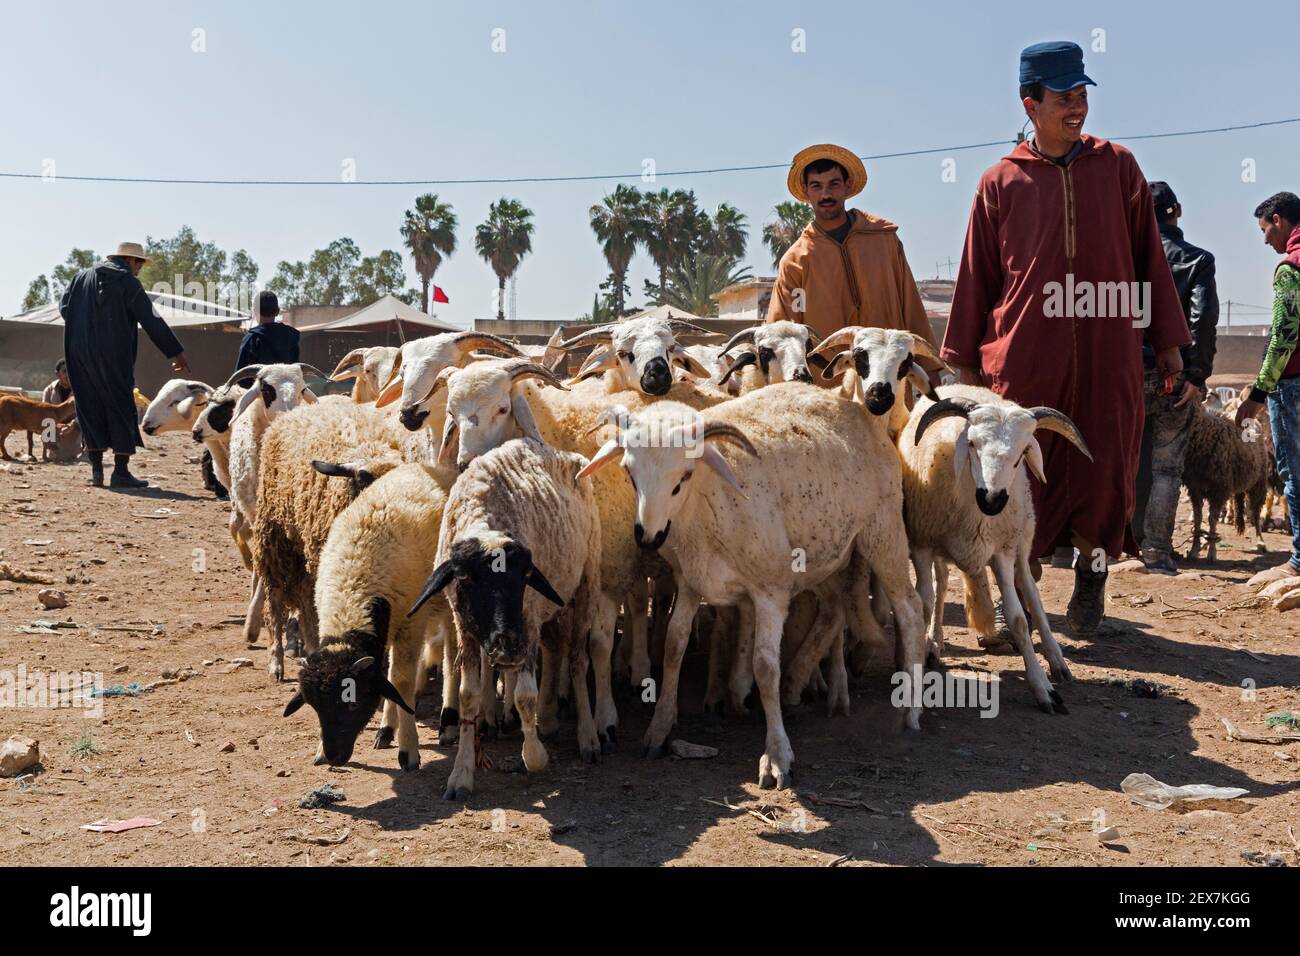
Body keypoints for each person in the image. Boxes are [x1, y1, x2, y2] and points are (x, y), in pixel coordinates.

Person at [941, 41, 1188, 636]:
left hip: (1110, 354)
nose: (1077, 107)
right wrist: (965, 365)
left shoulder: (1119, 167)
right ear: (1031, 103)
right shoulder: (999, 181)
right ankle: (1014, 594)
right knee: (1020, 478)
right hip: (1026, 355)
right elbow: (977, 274)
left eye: (1082, 95)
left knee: (1105, 476)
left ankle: (1092, 580)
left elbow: (1148, 258)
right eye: (1063, 97)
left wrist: (1171, 342)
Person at [766, 144, 939, 363]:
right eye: (816, 186)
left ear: (847, 186)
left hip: (889, 377)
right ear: (806, 191)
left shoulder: (884, 241)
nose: (825, 194)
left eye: (834, 184)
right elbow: (784, 331)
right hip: (827, 387)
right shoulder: (796, 262)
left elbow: (911, 307)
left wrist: (930, 367)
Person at [1131, 182, 1219, 574]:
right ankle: (1156, 553)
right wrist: (1197, 375)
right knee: (1167, 467)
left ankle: (1118, 545)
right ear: (1177, 211)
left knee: (1124, 460)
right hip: (1174, 376)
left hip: (1127, 375)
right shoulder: (1197, 260)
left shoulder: (1122, 261)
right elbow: (1202, 320)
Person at [59, 242, 189, 488]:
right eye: (139, 264)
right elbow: (152, 320)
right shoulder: (128, 282)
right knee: (120, 406)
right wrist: (176, 353)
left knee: (89, 405)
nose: (139, 269)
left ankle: (97, 472)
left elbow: (65, 308)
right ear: (131, 261)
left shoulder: (80, 278)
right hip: (113, 357)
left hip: (79, 355)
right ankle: (120, 472)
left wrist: (87, 327)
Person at [1235, 191, 1300, 584]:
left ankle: (1299, 561)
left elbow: (1285, 333)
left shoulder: (1290, 268)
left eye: (1265, 230)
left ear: (1278, 219)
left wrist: (1258, 395)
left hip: (1292, 387)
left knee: (1293, 472)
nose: (1265, 241)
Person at [235, 291, 299, 369]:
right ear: (277, 311)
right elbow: (296, 368)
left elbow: (240, 375)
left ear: (255, 311)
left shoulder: (252, 338)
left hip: (260, 381)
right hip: (288, 381)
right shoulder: (291, 335)